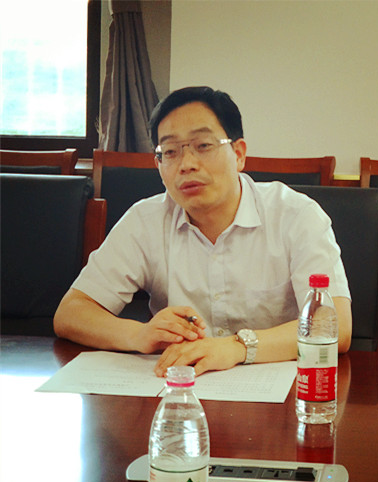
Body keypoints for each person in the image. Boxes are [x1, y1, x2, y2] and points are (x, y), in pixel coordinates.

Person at [54, 86, 352, 376]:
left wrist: (237, 347)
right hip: (181, 391)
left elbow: (336, 326)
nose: (186, 164)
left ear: (239, 154)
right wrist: (139, 335)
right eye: (170, 151)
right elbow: (71, 313)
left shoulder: (295, 215)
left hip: (281, 394)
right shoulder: (145, 220)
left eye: (204, 146)